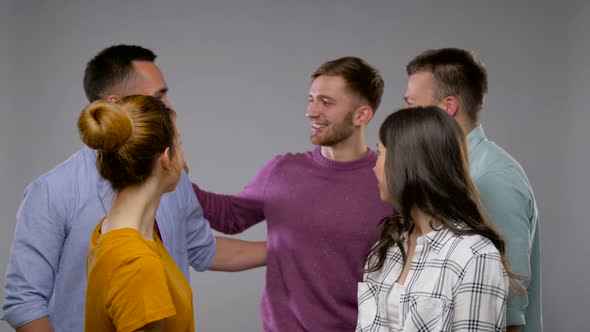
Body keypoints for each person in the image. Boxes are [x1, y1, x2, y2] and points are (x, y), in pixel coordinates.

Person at [2, 45, 266, 332]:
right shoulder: (52, 192)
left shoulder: (167, 185)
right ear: (116, 104)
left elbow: (202, 249)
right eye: (158, 96)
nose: (169, 105)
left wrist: (290, 250)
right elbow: (24, 302)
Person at [192, 56, 391, 331]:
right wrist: (172, 179)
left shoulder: (388, 182)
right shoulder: (283, 170)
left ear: (362, 115)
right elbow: (229, 217)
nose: (311, 111)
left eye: (326, 102)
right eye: (311, 99)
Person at [402, 48, 541, 332]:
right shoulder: (448, 174)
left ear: (447, 107)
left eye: (412, 104)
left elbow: (508, 306)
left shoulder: (492, 178)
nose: (404, 115)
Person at [357, 106, 511, 331]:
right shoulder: (385, 249)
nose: (374, 167)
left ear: (405, 162)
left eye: (380, 153)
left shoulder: (475, 256)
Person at [80, 95, 192, 331]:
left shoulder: (108, 231)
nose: (185, 162)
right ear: (165, 158)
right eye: (179, 145)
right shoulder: (136, 266)